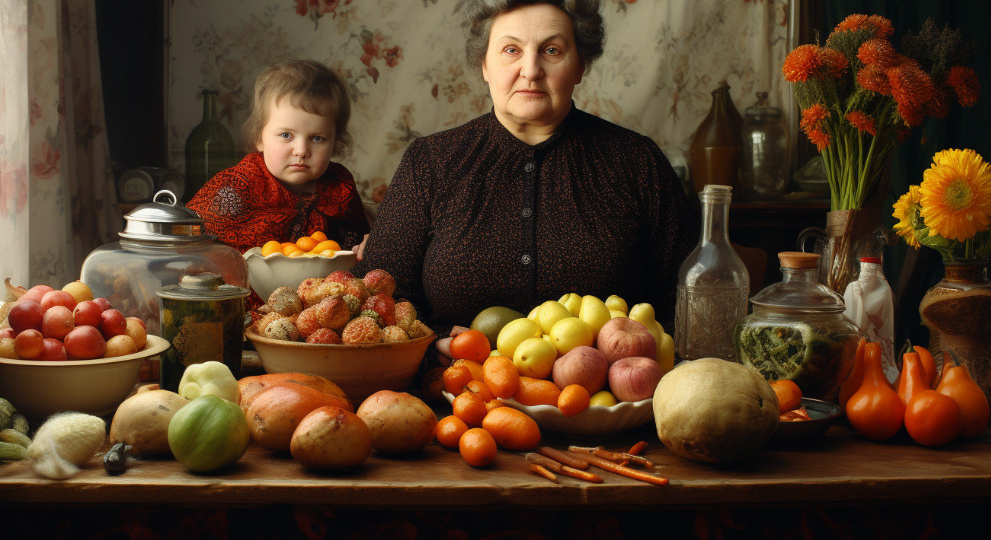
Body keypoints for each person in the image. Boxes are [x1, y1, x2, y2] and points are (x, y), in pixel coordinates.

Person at [352, 0, 697, 360]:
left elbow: (687, 302)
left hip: (607, 404)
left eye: (552, 50)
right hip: (455, 395)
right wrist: (439, 343)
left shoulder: (637, 162)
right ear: (484, 64)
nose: (530, 70)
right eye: (511, 50)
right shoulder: (430, 162)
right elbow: (379, 299)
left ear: (580, 65)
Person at [188, 59, 369, 259]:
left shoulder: (340, 185)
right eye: (286, 135)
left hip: (320, 287)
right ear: (259, 137)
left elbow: (357, 241)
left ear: (334, 141)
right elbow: (190, 232)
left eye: (317, 138)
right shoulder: (238, 184)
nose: (301, 151)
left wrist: (364, 245)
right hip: (246, 285)